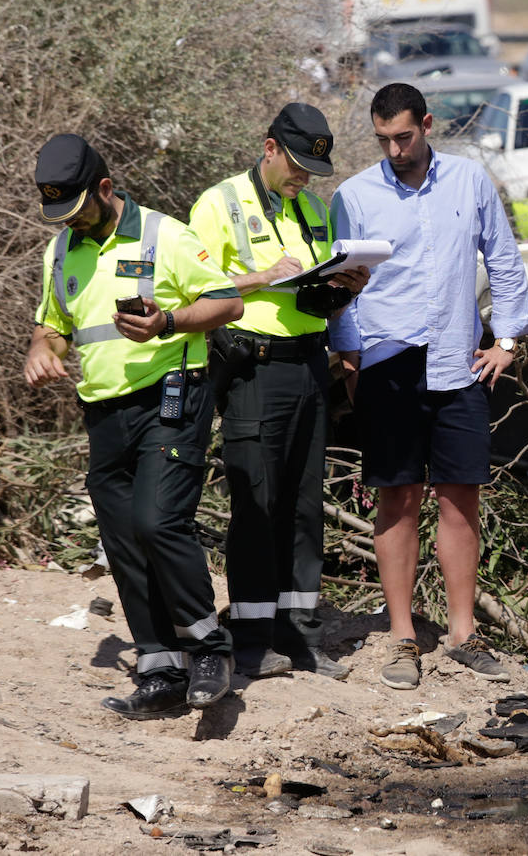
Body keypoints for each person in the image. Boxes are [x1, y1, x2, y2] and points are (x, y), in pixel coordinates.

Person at [24, 134, 243, 717]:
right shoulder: (60, 251)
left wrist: (169, 320)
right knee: (122, 537)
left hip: (172, 397)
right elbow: (53, 324)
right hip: (104, 412)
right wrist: (41, 350)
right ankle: (159, 667)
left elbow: (227, 303)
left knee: (158, 520)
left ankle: (210, 649)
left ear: (105, 187)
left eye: (78, 209)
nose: (71, 223)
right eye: (59, 214)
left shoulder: (164, 235)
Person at [329, 83, 528, 690]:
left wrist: (508, 340)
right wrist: (348, 356)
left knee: (459, 496)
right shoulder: (354, 194)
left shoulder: (470, 182)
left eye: (404, 136)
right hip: (388, 363)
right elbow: (341, 282)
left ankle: (464, 633)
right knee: (396, 498)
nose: (394, 149)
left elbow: (503, 258)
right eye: (384, 139)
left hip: (459, 363)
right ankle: (401, 638)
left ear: (427, 125)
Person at [189, 103, 368, 680]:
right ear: (268, 149)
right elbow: (188, 286)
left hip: (309, 366)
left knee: (303, 507)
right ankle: (249, 640)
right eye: (294, 166)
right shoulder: (219, 203)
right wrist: (259, 277)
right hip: (253, 370)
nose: (303, 179)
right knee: (257, 505)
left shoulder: (312, 209)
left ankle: (301, 638)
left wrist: (345, 286)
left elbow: (311, 295)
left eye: (312, 171)